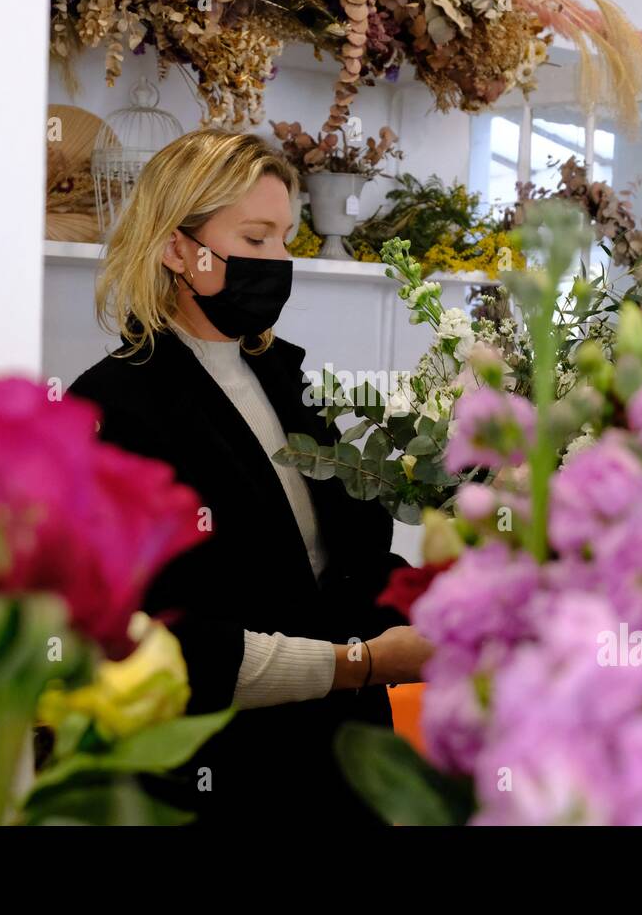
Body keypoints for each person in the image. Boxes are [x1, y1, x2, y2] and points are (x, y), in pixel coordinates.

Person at [66, 127, 435, 825]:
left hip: (341, 760)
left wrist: (443, 609)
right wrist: (359, 664)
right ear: (177, 247)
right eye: (257, 238)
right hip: (224, 776)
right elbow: (165, 642)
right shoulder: (115, 409)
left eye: (286, 239)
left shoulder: (285, 379)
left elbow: (344, 561)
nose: (278, 261)